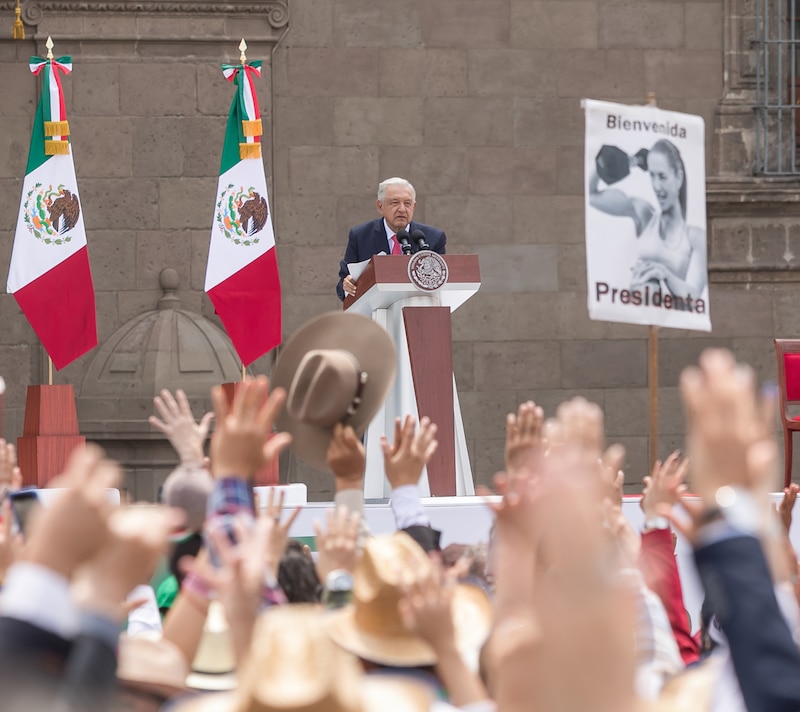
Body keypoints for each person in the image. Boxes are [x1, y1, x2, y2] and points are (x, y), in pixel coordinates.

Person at [589, 139, 707, 301]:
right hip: (635, 307)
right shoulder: (645, 215)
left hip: (669, 319)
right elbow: (591, 195)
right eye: (652, 176)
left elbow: (695, 298)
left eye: (662, 177)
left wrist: (665, 274)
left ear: (678, 177)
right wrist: (630, 161)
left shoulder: (695, 238)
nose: (656, 186)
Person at [337, 177, 447, 301]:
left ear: (414, 206)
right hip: (374, 315)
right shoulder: (360, 236)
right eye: (394, 203)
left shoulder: (432, 238)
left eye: (407, 203)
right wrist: (348, 285)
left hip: (418, 314)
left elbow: (442, 285)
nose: (402, 209)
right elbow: (342, 286)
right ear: (380, 206)